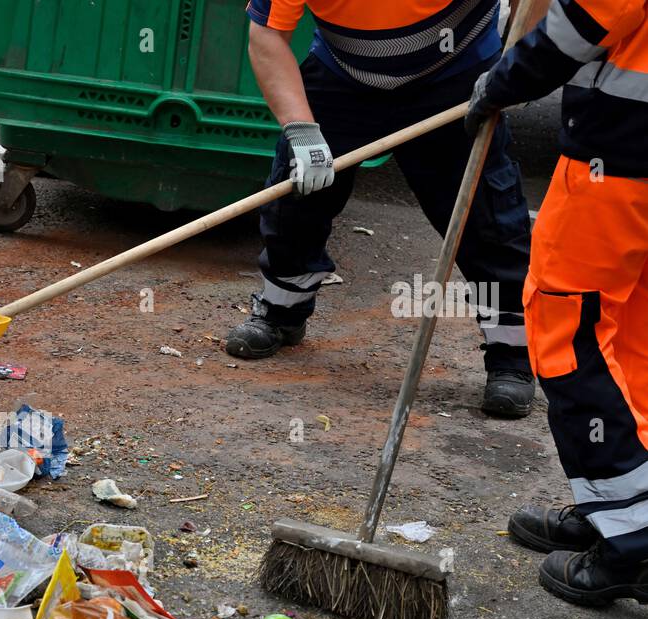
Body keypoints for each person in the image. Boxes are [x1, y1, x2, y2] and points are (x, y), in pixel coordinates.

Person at [230, 0, 537, 418]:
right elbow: (266, 36)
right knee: (297, 193)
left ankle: (512, 356)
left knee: (486, 215)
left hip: (456, 75)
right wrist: (302, 131)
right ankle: (281, 311)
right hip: (344, 73)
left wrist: (517, 64)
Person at [468, 0, 648, 605]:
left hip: (620, 162)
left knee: (568, 328)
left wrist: (505, 79)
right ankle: (623, 508)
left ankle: (633, 539)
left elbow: (591, 16)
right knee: (631, 338)